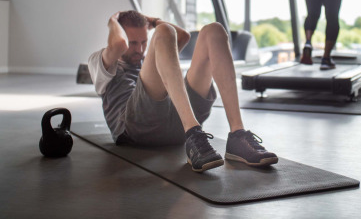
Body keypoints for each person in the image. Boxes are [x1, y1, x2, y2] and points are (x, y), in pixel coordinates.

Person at [88, 10, 278, 172]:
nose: (139, 49)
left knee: (214, 30)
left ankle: (237, 134)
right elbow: (118, 45)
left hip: (177, 123)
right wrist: (113, 20)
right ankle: (194, 132)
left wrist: (152, 21)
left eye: (143, 42)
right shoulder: (100, 62)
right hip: (138, 128)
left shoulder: (149, 61)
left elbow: (183, 36)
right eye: (133, 43)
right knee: (164, 31)